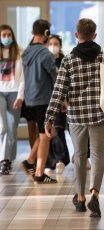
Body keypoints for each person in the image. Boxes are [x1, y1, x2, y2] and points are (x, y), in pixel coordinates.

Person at [45, 18, 104, 217]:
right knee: (98, 156)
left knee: (80, 156)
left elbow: (59, 91)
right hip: (100, 115)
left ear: (76, 35)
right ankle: (95, 195)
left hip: (77, 117)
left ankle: (80, 197)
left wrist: (49, 117)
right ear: (95, 35)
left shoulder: (69, 60)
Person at [21, 19, 57, 184]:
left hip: (30, 100)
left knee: (45, 133)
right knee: (45, 135)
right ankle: (39, 172)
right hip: (43, 100)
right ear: (46, 33)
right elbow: (55, 78)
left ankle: (31, 163)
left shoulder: (26, 52)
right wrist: (62, 99)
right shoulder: (46, 54)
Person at [0, 24, 24, 175]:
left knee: (12, 128)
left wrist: (21, 96)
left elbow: (23, 77)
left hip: (14, 93)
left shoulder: (19, 52)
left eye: (9, 35)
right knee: (3, 127)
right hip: (0, 93)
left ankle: (9, 158)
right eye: (3, 35)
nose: (6, 38)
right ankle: (4, 160)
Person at [45, 34, 70, 174]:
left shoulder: (64, 61)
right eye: (50, 43)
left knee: (59, 130)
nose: (53, 46)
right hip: (45, 99)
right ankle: (51, 162)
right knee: (48, 131)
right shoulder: (45, 60)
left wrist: (64, 100)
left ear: (60, 46)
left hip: (60, 100)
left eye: (56, 43)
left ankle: (61, 159)